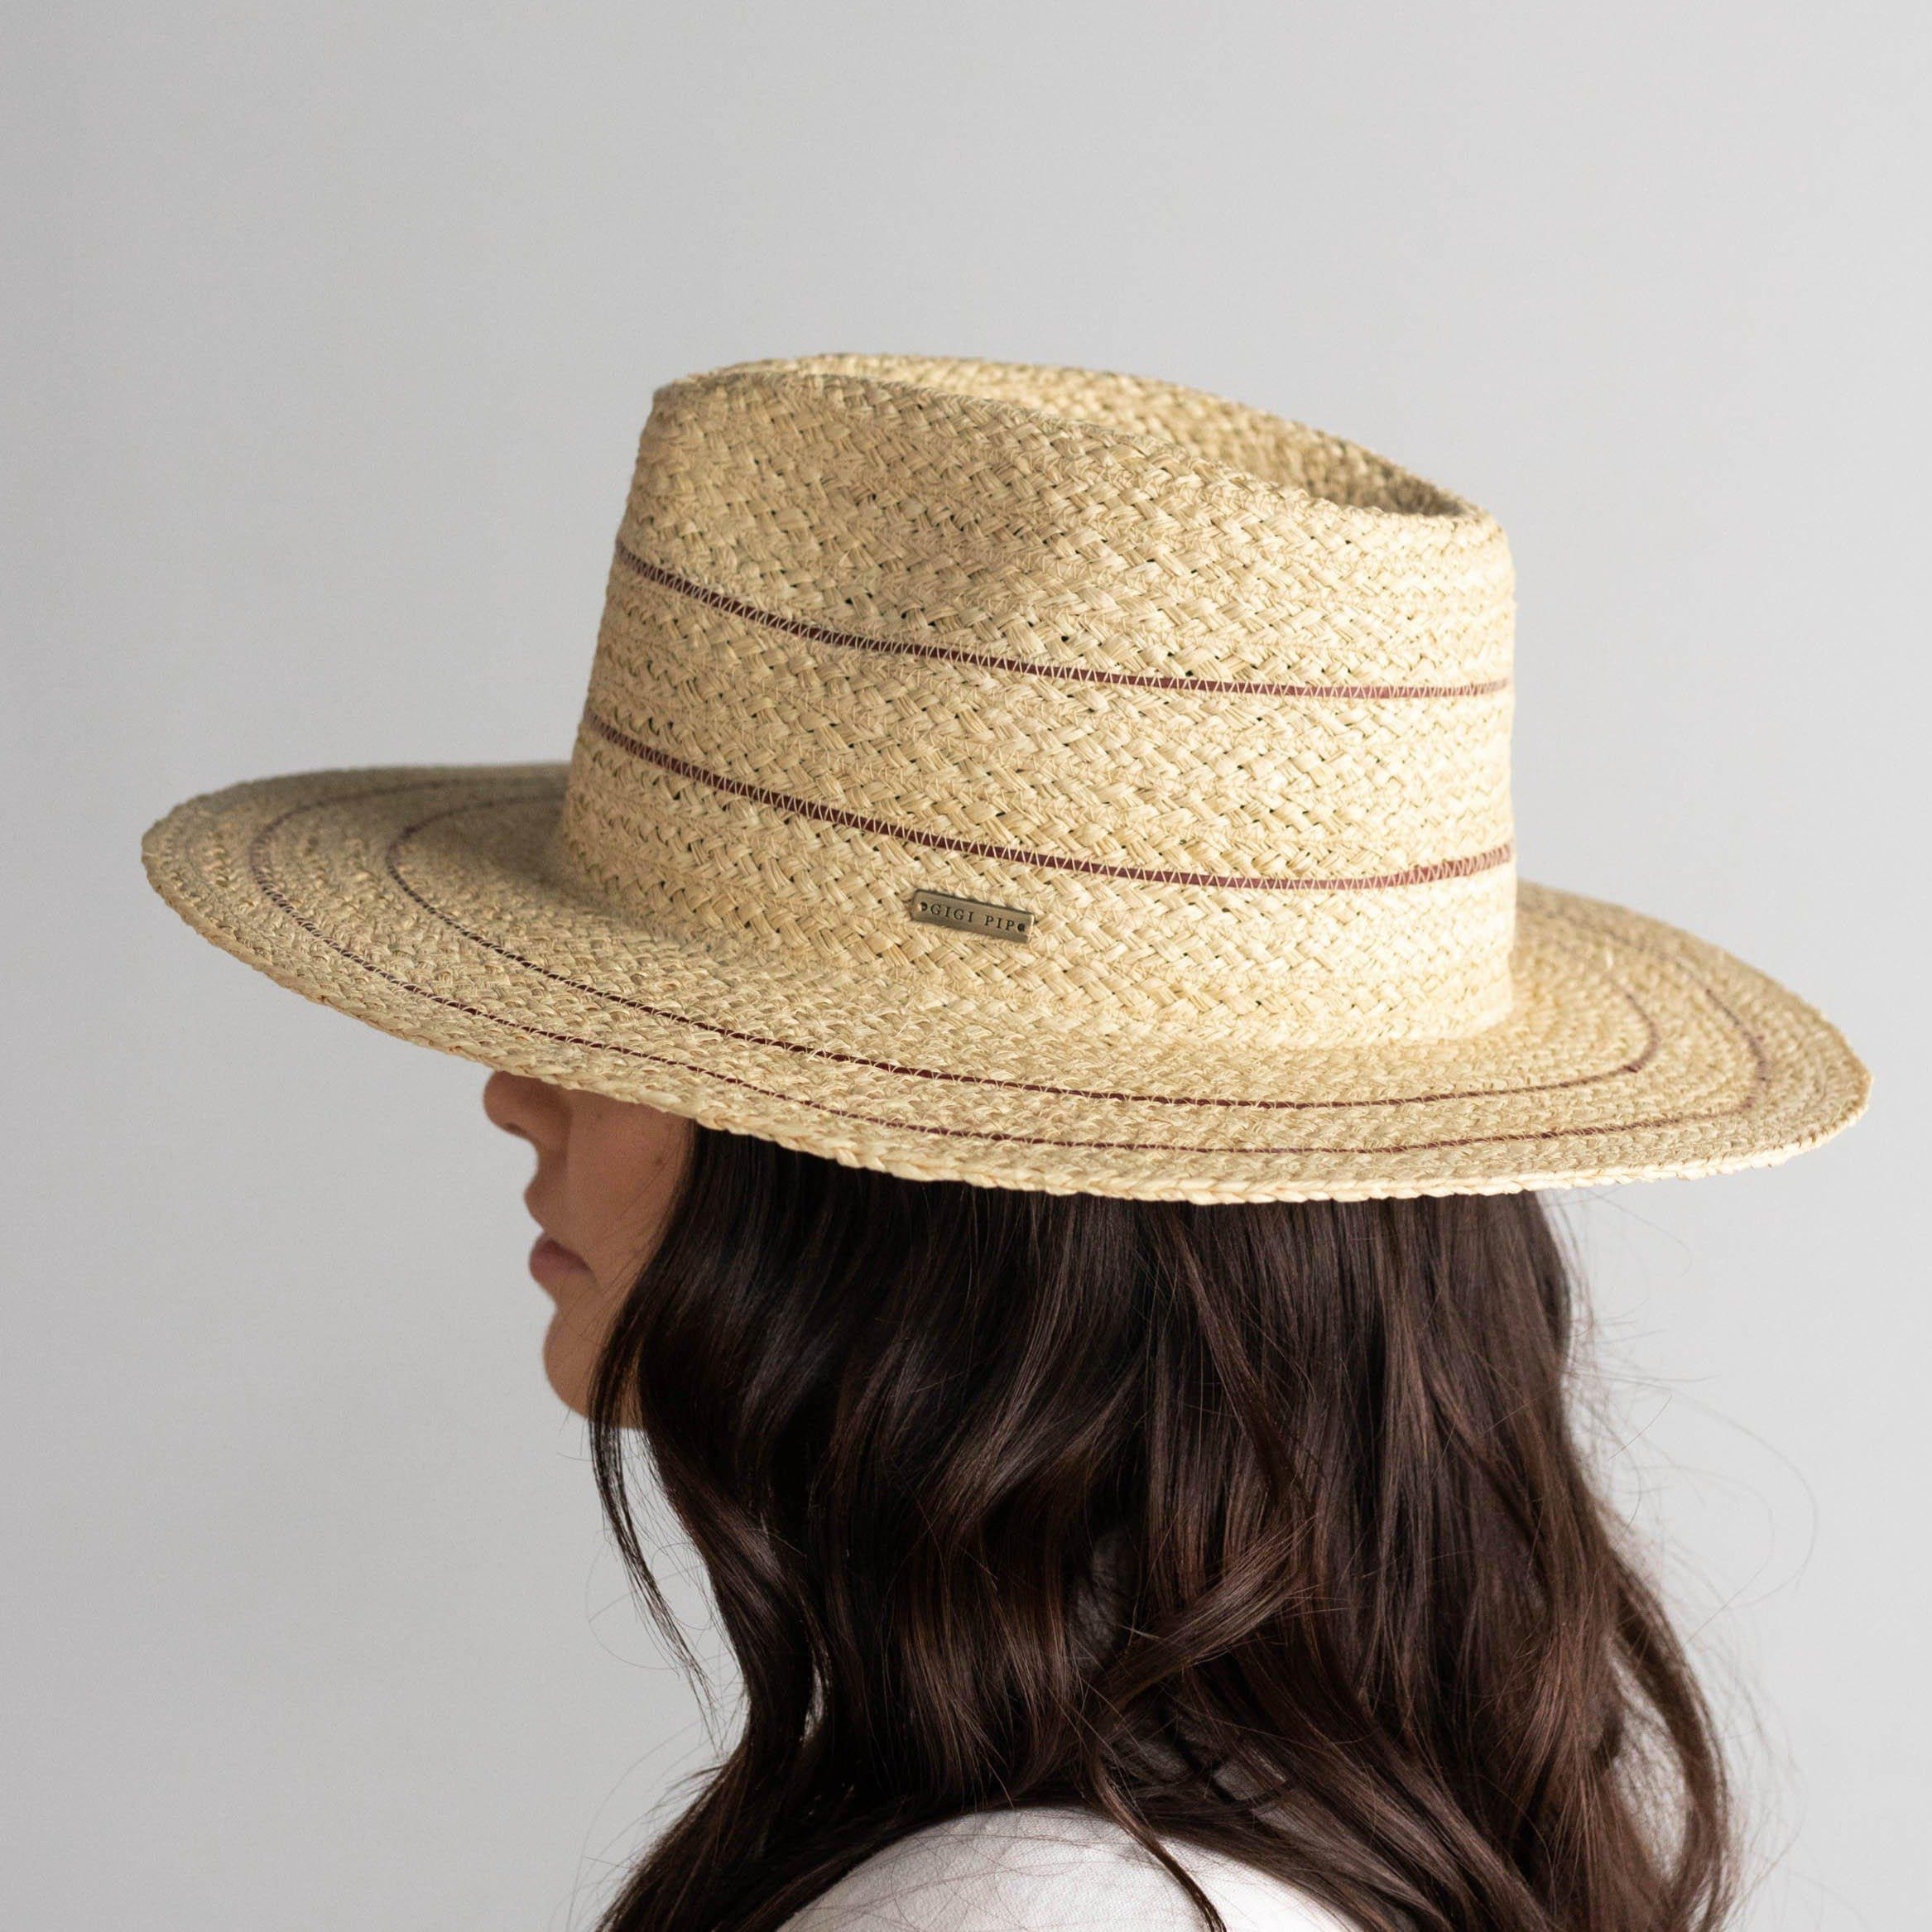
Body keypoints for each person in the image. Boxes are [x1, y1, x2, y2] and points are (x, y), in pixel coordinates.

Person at [142, 355, 1870, 1932]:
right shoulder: (1261, 1844)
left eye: (632, 1035)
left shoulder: (1029, 1913)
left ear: (900, 1187)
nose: (518, 1090)